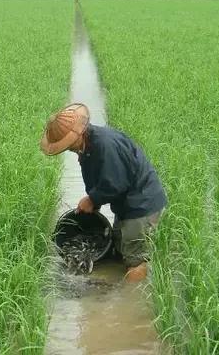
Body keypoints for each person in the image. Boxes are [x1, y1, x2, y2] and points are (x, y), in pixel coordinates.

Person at [40, 103, 167, 282]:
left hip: (142, 204)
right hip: (127, 203)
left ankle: (128, 302)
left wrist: (92, 200)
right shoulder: (88, 147)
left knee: (135, 258)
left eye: (68, 144)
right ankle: (112, 289)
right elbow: (102, 179)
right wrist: (94, 203)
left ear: (78, 134)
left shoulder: (105, 146)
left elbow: (116, 184)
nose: (67, 148)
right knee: (119, 246)